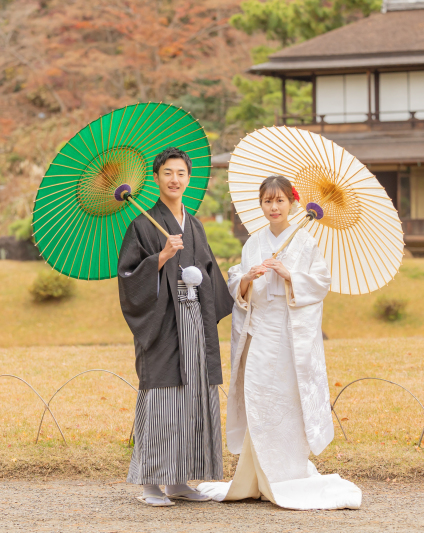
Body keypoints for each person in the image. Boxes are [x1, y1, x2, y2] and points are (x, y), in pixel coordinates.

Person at [198, 175, 362, 510]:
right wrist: (246, 279)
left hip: (289, 336)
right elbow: (238, 289)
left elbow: (320, 284)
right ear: (261, 204)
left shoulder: (305, 243)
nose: (273, 208)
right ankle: (254, 477)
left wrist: (289, 275)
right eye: (267, 201)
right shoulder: (253, 243)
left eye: (280, 201)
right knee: (257, 399)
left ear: (292, 202)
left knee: (287, 403)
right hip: (260, 333)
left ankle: (286, 475)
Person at [117, 147, 234, 507]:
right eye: (167, 173)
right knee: (163, 397)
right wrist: (161, 258)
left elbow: (209, 271)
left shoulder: (194, 224)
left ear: (189, 178)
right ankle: (152, 482)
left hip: (194, 319)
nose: (175, 179)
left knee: (193, 395)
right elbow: (128, 278)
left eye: (181, 173)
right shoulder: (141, 223)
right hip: (163, 322)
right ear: (156, 178)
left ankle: (180, 479)